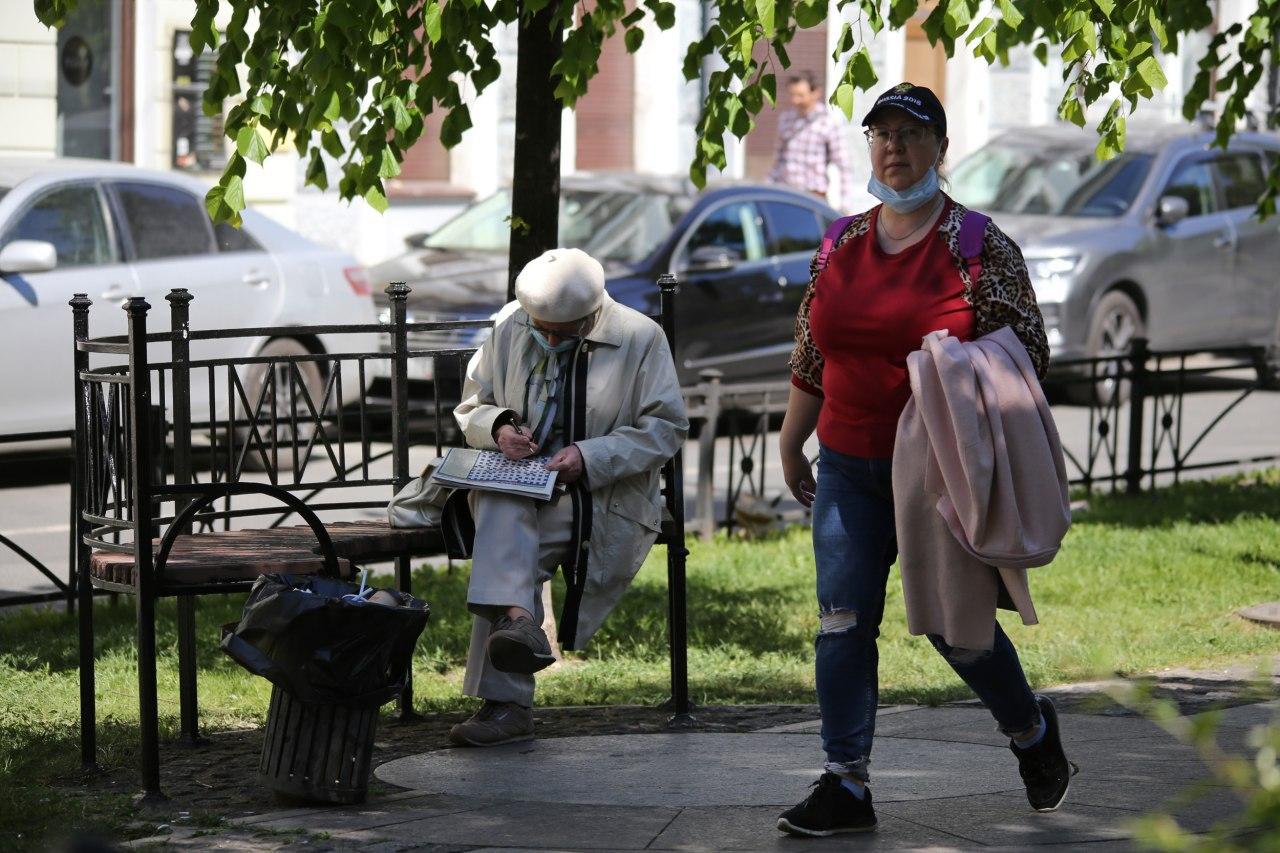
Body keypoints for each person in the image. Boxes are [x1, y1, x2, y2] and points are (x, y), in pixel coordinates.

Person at [775, 83, 1074, 837]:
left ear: (942, 148)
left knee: (957, 628)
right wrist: (790, 439)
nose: (895, 149)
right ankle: (846, 782)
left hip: (937, 469)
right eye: (881, 134)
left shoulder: (977, 245)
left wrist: (954, 370)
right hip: (846, 464)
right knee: (841, 622)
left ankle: (1032, 732)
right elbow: (812, 351)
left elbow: (1028, 357)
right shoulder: (840, 242)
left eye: (912, 134)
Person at [448, 248, 688, 746]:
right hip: (518, 480)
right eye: (542, 328)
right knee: (499, 506)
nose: (550, 338)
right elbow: (473, 404)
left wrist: (589, 456)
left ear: (593, 313)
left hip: (600, 493)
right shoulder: (511, 325)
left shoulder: (640, 337)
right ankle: (520, 627)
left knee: (508, 546)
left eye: (564, 331)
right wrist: (497, 429)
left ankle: (507, 703)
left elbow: (666, 428)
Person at [767, 71, 853, 207]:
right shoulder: (785, 119)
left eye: (800, 95)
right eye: (792, 95)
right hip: (784, 194)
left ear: (816, 93)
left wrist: (845, 204)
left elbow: (843, 166)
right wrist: (768, 189)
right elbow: (777, 160)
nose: (795, 100)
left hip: (813, 198)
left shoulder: (828, 122)